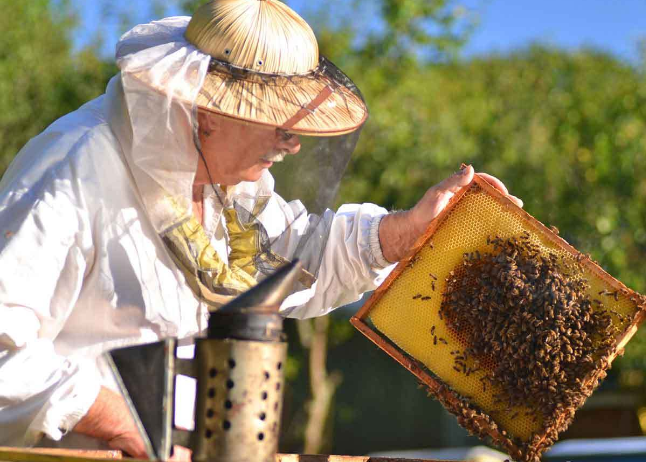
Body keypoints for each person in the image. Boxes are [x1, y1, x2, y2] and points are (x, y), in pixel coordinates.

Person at [0, 0, 522, 459]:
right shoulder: (74, 167)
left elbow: (291, 258)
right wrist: (126, 424)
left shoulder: (227, 185)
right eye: (274, 118)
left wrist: (404, 232)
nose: (291, 141)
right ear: (208, 110)